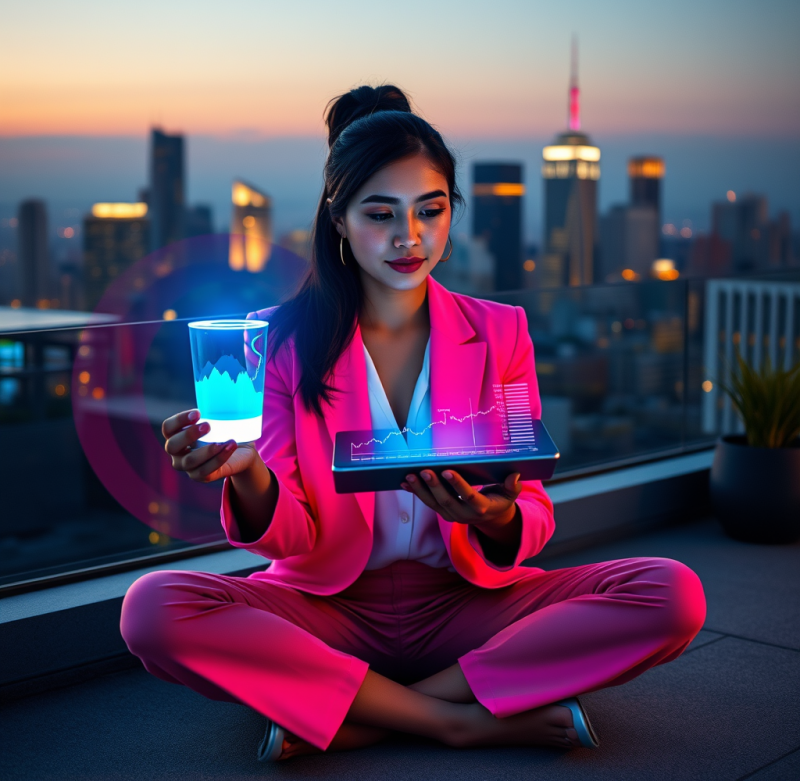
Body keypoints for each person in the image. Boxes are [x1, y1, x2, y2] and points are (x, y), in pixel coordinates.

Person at [120, 84, 707, 762]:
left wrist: (493, 514)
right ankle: (458, 720)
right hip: (326, 607)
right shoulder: (275, 339)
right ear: (338, 220)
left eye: (430, 210)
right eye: (381, 214)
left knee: (673, 595)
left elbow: (535, 516)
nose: (410, 238)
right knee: (152, 609)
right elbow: (293, 538)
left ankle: (361, 710)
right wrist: (246, 471)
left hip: (464, 604)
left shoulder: (500, 332)